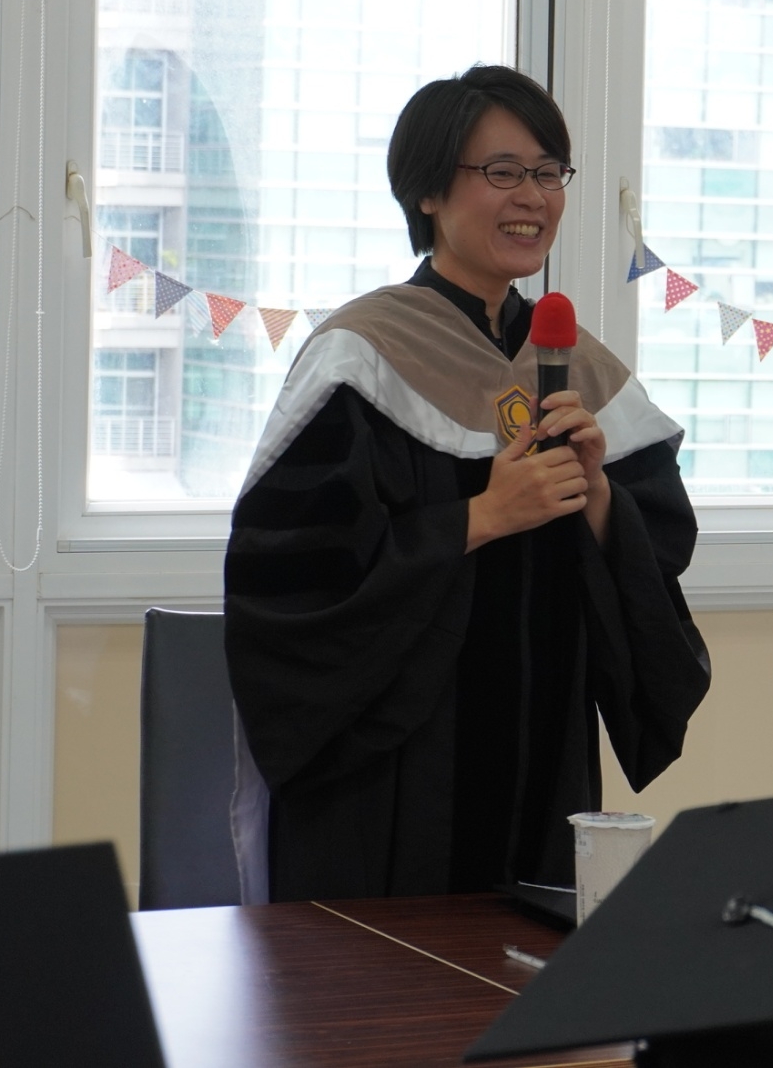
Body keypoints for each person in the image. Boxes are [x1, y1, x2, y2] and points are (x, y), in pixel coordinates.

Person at [225, 65, 711, 901]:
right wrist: (480, 517)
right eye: (502, 171)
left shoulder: (576, 365)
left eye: (549, 172)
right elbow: (293, 585)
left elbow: (658, 558)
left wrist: (598, 498)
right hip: (393, 784)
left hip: (545, 765)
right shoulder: (360, 358)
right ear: (427, 191)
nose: (533, 197)